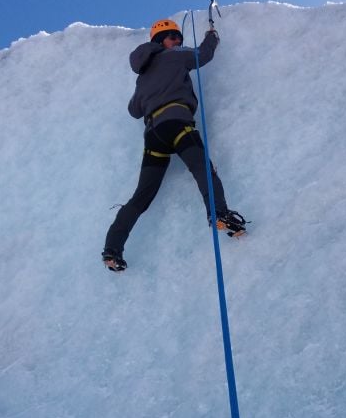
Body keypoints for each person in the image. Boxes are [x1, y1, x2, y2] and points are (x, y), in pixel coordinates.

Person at [102, 18, 246, 272]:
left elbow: (134, 110)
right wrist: (212, 35)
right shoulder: (175, 56)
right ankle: (220, 214)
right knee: (202, 168)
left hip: (154, 135)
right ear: (161, 41)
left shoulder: (143, 75)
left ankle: (112, 249)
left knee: (141, 196)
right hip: (177, 122)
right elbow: (203, 55)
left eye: (178, 38)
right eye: (172, 37)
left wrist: (151, 93)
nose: (178, 41)